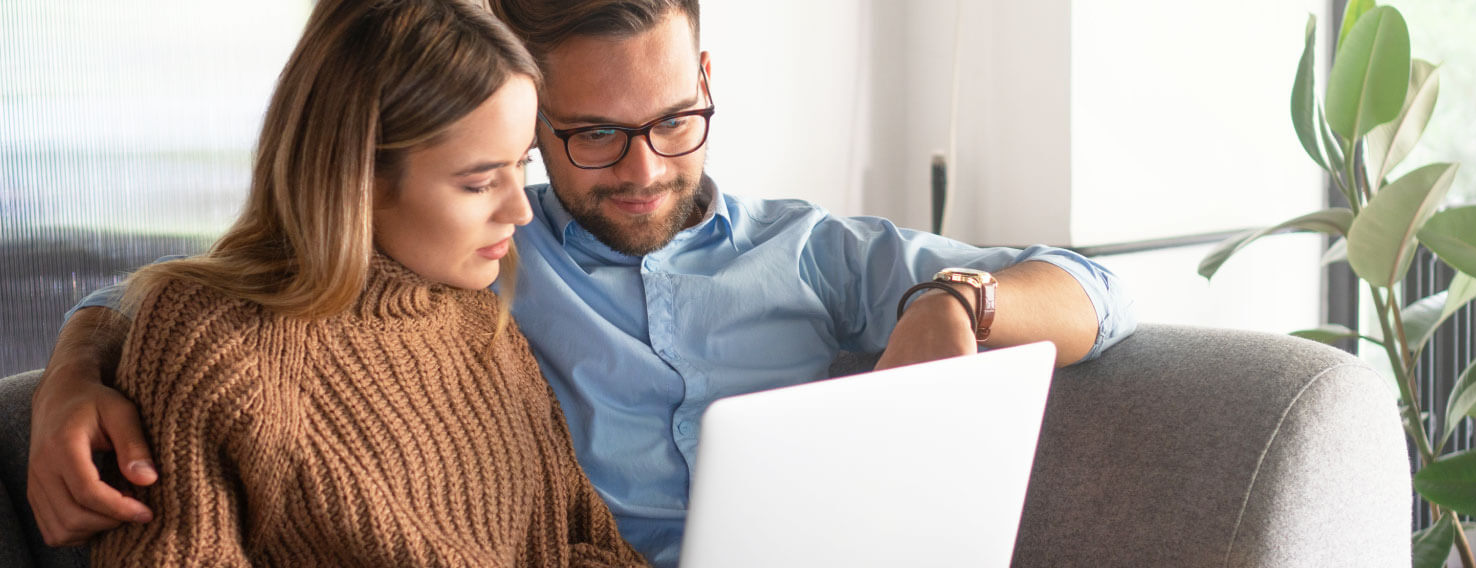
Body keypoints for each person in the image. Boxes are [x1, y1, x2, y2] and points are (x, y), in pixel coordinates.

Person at [28, 0, 1136, 566]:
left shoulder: (812, 252)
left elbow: (1095, 291)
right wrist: (74, 373)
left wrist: (953, 300)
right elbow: (207, 297)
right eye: (593, 136)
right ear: (527, 117)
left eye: (674, 122)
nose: (645, 168)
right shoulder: (496, 269)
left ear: (706, 77)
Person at [52, 0, 647, 565]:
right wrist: (73, 367)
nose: (521, 211)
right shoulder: (216, 343)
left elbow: (582, 544)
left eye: (522, 163)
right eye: (478, 181)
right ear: (358, 177)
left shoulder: (476, 319)